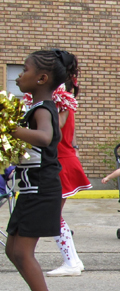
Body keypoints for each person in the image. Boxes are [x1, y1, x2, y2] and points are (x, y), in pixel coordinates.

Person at [7, 49, 76, 291]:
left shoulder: (43, 108)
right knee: (13, 249)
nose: (19, 76)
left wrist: (11, 130)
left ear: (42, 78)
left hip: (41, 189)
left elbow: (45, 138)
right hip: (30, 188)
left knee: (22, 252)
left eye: (24, 70)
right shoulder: (34, 107)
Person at [23, 76, 93, 278]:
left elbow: (57, 133)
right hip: (63, 160)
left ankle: (71, 261)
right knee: (54, 214)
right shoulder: (64, 104)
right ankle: (73, 260)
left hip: (61, 163)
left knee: (52, 214)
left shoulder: (59, 106)